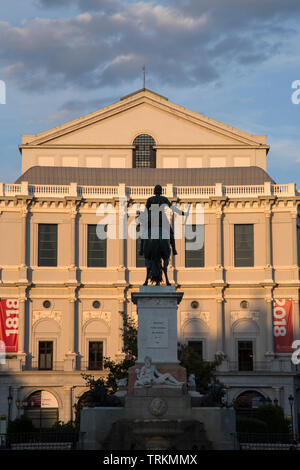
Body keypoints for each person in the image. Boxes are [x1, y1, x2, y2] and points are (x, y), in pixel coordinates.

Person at [138, 184, 185, 256]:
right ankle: (174, 249)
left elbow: (146, 211)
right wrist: (181, 212)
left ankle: (141, 250)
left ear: (154, 191)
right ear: (160, 192)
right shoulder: (164, 199)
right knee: (171, 233)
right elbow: (172, 207)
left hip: (152, 219)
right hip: (161, 219)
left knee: (144, 234)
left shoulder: (150, 199)